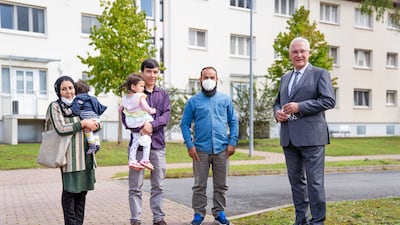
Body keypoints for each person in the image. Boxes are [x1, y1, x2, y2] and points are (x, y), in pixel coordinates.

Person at [273, 37, 336, 225]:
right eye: (295, 51)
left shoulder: (320, 74)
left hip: (312, 138)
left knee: (314, 183)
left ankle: (317, 221)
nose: (299, 55)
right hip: (289, 138)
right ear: (290, 55)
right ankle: (301, 220)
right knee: (296, 183)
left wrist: (300, 106)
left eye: (302, 51)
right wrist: (277, 113)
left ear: (308, 53)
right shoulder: (285, 77)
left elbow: (328, 100)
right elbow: (277, 102)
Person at [180, 66, 239, 225]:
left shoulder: (225, 99)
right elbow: (184, 124)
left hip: (222, 149)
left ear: (217, 80)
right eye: (206, 77)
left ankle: (219, 213)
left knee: (221, 184)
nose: (209, 80)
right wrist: (189, 145)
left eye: (212, 77)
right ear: (200, 80)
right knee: (199, 185)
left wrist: (232, 142)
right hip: (200, 150)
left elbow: (233, 121)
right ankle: (198, 214)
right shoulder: (193, 101)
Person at [121, 59, 171, 225]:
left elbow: (165, 116)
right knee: (135, 186)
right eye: (149, 71)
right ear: (142, 72)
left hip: (157, 145)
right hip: (138, 148)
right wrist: (140, 128)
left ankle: (158, 218)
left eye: (155, 72)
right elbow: (125, 117)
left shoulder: (162, 95)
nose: (152, 75)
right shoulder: (132, 95)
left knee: (158, 185)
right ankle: (135, 219)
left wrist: (151, 124)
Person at [48, 75, 99, 225]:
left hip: (86, 155)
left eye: (70, 88)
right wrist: (83, 123)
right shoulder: (55, 106)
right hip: (70, 157)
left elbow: (96, 120)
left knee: (82, 193)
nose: (68, 91)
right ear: (58, 91)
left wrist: (94, 124)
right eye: (64, 89)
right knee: (70, 192)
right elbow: (61, 128)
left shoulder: (82, 102)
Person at [119, 73, 157, 170]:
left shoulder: (125, 97)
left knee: (135, 141)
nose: (143, 88)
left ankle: (132, 160)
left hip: (131, 122)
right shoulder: (139, 96)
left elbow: (120, 109)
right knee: (147, 138)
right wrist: (151, 110)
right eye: (141, 86)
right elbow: (145, 106)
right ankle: (145, 159)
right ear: (133, 86)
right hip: (141, 120)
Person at [70, 79, 107, 154]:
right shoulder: (93, 98)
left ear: (76, 91)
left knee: (88, 130)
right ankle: (97, 144)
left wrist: (71, 112)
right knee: (94, 131)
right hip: (96, 118)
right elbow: (99, 107)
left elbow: (75, 109)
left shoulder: (78, 98)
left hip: (88, 118)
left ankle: (92, 146)